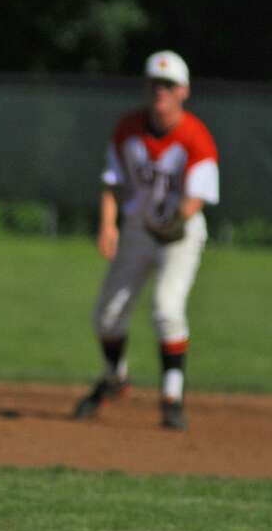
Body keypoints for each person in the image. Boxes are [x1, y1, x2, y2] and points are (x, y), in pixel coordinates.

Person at [73, 51, 219, 431]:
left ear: (184, 91)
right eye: (155, 83)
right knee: (106, 316)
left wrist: (179, 219)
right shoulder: (128, 129)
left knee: (166, 309)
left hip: (179, 236)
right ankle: (114, 379)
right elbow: (112, 182)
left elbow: (198, 194)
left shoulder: (195, 136)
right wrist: (109, 225)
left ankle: (172, 397)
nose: (161, 91)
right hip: (138, 230)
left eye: (169, 85)